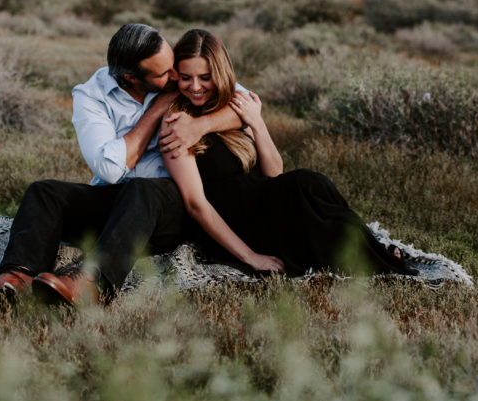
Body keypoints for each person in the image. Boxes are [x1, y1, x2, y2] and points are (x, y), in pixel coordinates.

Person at [0, 23, 244, 306]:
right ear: (131, 78)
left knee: (142, 190)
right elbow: (110, 170)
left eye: (173, 67)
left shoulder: (180, 75)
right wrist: (156, 111)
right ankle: (16, 279)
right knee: (44, 192)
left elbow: (244, 102)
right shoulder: (92, 96)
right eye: (165, 74)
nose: (176, 77)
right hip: (120, 201)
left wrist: (201, 125)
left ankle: (90, 283)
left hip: (171, 207)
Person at [162, 29, 416, 278]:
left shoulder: (234, 107)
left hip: (263, 207)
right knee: (312, 207)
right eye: (186, 78)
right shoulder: (176, 122)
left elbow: (275, 172)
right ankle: (373, 256)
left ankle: (369, 248)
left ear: (220, 73)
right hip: (233, 226)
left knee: (310, 183)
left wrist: (257, 123)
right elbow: (195, 204)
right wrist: (251, 257)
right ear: (176, 76)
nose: (195, 86)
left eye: (205, 77)